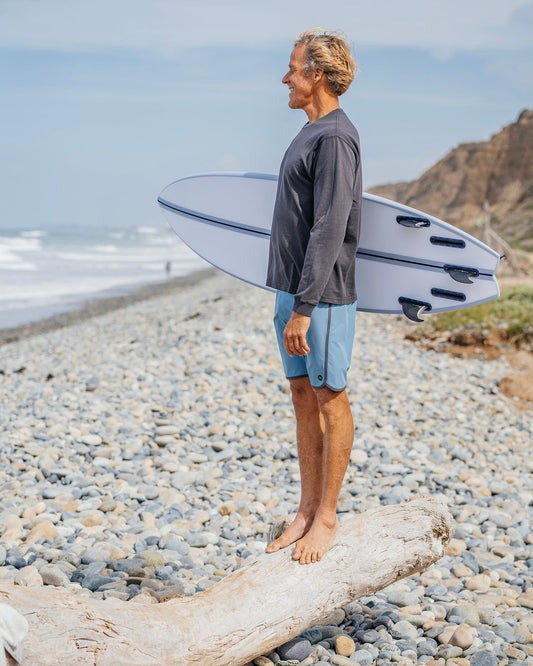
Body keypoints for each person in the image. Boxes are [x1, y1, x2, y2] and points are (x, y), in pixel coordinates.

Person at [265, 29, 361, 565]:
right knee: (303, 396)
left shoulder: (335, 138)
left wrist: (304, 308)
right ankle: (304, 510)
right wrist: (289, 298)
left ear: (317, 75)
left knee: (330, 397)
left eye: (293, 68)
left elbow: (330, 226)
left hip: (320, 297)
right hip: (293, 291)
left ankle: (327, 517)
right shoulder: (310, 132)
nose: (286, 77)